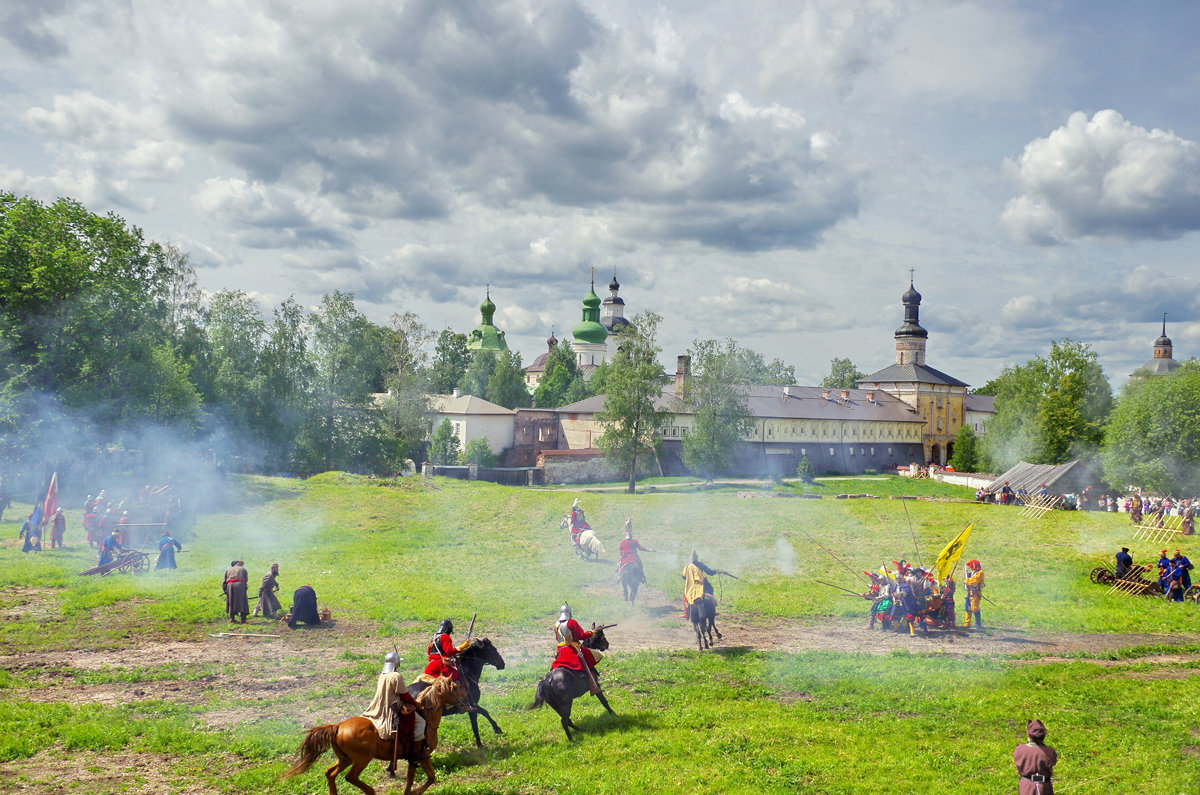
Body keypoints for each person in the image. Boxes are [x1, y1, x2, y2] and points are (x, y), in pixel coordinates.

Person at [360, 652, 425, 776]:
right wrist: (415, 703)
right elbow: (404, 694)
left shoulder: (382, 675)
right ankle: (416, 751)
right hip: (393, 707)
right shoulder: (396, 675)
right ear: (396, 663)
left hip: (379, 705)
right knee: (421, 722)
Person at [551, 603, 602, 695]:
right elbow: (581, 636)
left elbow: (557, 638)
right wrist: (592, 632)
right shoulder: (571, 622)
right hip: (572, 649)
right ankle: (594, 687)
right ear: (569, 613)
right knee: (590, 661)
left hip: (561, 650)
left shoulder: (557, 624)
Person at [1013, 719, 1057, 794]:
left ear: (1029, 735)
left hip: (1027, 788)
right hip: (1043, 787)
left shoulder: (1019, 749)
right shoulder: (1050, 751)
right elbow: (1053, 761)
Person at [681, 550, 730, 617]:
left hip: (691, 586)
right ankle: (712, 610)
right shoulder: (700, 565)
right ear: (697, 558)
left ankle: (686, 614)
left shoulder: (687, 567)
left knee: (686, 596)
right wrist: (717, 571)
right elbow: (710, 572)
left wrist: (691, 580)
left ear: (691, 559)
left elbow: (683, 577)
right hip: (702, 584)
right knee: (710, 591)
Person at [616, 518, 654, 584]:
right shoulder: (634, 541)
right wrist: (649, 550)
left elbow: (621, 550)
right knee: (640, 564)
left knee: (619, 564)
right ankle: (642, 577)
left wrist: (621, 556)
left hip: (626, 558)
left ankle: (619, 576)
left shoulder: (623, 542)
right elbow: (641, 548)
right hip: (634, 557)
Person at [963, 559, 984, 630]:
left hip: (975, 593)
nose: (971, 568)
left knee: (974, 608)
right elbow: (969, 578)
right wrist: (966, 574)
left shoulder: (980, 573)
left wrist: (967, 581)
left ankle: (978, 624)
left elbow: (973, 581)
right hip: (969, 593)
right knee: (967, 608)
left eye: (971, 566)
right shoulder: (973, 573)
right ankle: (967, 623)